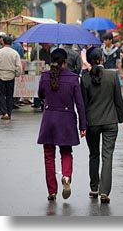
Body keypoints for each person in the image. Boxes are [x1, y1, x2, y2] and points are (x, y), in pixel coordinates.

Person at [80, 47, 123, 204]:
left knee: (93, 155)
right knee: (107, 156)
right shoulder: (112, 75)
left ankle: (94, 188)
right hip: (110, 122)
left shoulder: (85, 79)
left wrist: (82, 125)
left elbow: (83, 105)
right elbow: (118, 101)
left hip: (92, 123)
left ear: (88, 60)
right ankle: (104, 192)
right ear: (102, 59)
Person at [37, 48, 87, 201]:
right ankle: (66, 176)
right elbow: (80, 104)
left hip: (49, 120)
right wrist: (83, 125)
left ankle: (52, 191)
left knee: (48, 156)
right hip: (66, 121)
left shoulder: (45, 76)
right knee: (66, 152)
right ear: (66, 61)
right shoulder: (73, 78)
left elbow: (40, 95)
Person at [0, 36, 22, 120]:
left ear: (3, 42)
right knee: (10, 95)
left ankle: (4, 113)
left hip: (0, 76)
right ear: (11, 43)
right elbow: (18, 66)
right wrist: (17, 74)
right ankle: (9, 112)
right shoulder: (15, 53)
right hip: (11, 76)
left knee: (1, 95)